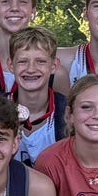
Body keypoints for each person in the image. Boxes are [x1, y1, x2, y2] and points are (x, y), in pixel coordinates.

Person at [7, 26, 66, 168]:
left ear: (54, 66)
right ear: (11, 65)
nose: (31, 69)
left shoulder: (69, 115)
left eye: (40, 61)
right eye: (22, 61)